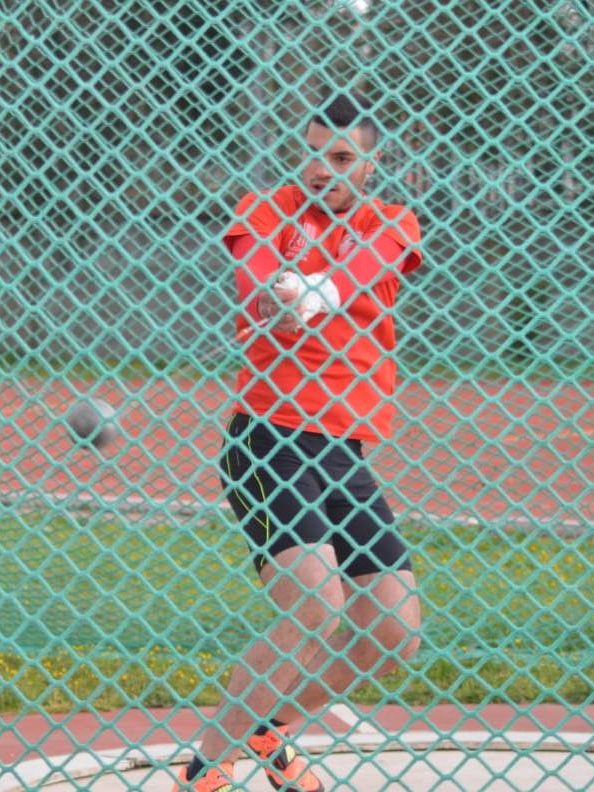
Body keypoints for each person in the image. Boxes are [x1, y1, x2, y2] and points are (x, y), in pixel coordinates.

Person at [174, 92, 423, 792]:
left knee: (393, 633)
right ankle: (205, 770)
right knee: (315, 607)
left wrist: (312, 295)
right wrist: (277, 296)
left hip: (344, 450)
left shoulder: (391, 221)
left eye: (342, 157)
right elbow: (256, 280)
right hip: (269, 439)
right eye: (313, 153)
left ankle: (267, 726)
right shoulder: (266, 208)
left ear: (371, 164)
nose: (322, 169)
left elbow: (367, 267)